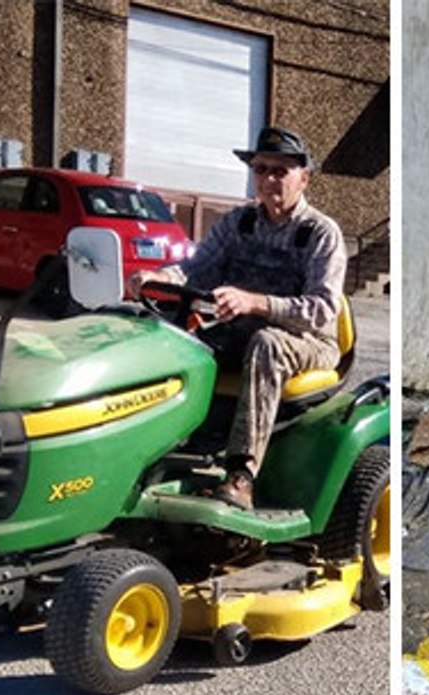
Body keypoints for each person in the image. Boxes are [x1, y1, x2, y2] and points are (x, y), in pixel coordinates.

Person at [126, 126, 346, 510]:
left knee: (267, 344)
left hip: (309, 342)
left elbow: (322, 309)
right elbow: (196, 269)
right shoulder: (238, 223)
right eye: (261, 169)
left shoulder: (321, 234)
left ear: (304, 178)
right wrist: (159, 278)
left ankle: (241, 474)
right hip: (241, 333)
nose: (269, 179)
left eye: (281, 171)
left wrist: (255, 302)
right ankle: (160, 449)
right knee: (174, 340)